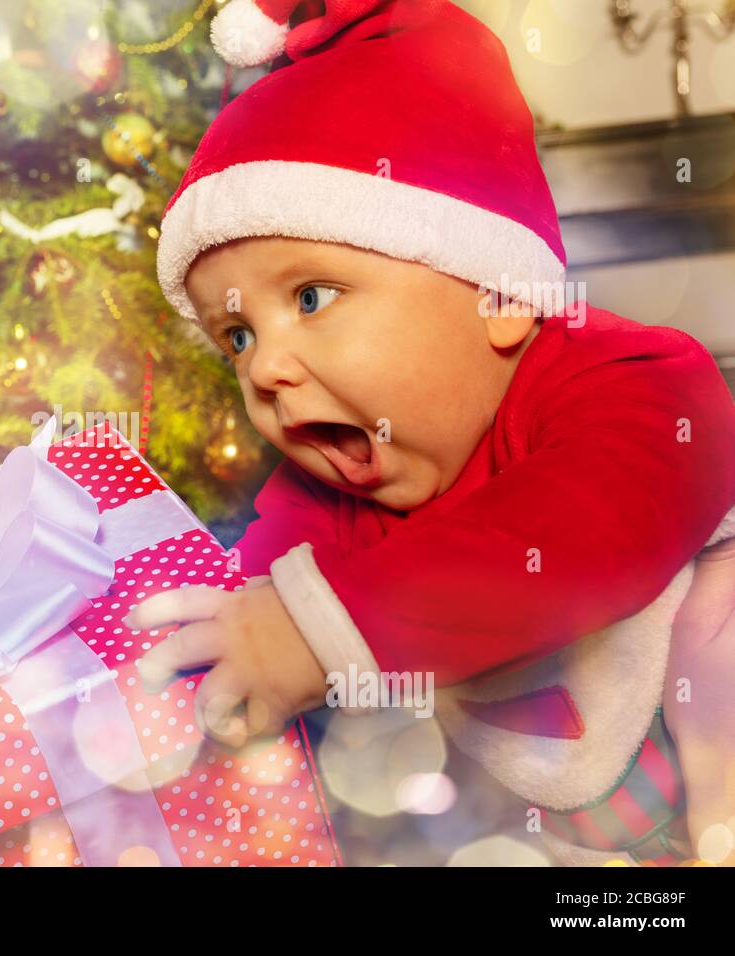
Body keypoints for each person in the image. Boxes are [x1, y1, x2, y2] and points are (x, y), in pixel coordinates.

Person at [127, 0, 735, 865]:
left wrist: (322, 633)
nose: (264, 368)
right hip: (593, 835)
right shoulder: (328, 484)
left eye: (310, 298)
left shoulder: (637, 380)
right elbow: (247, 608)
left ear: (499, 295)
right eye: (238, 336)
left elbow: (579, 532)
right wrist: (223, 660)